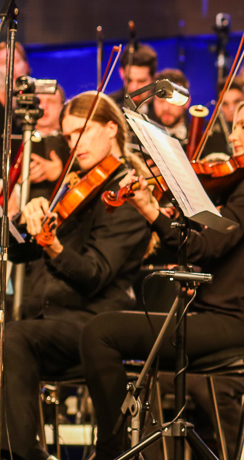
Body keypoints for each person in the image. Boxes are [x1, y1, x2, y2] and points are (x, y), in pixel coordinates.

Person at [82, 97, 244, 460]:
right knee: (108, 335)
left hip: (241, 323)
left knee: (100, 332)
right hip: (221, 319)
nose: (234, 136)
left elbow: (202, 249)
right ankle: (130, 449)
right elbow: (198, 245)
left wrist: (151, 211)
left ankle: (113, 450)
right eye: (235, 126)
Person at [1, 92, 150, 460]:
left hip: (94, 324)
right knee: (12, 336)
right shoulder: (72, 186)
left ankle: (22, 456)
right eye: (68, 137)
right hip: (48, 322)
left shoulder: (126, 195)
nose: (74, 144)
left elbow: (95, 275)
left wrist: (53, 247)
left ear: (112, 128)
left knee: (11, 337)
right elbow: (18, 252)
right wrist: (22, 221)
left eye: (82, 132)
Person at [149, 68, 191, 144]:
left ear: (187, 101)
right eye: (161, 101)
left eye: (172, 101)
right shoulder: (143, 136)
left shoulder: (198, 140)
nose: (166, 108)